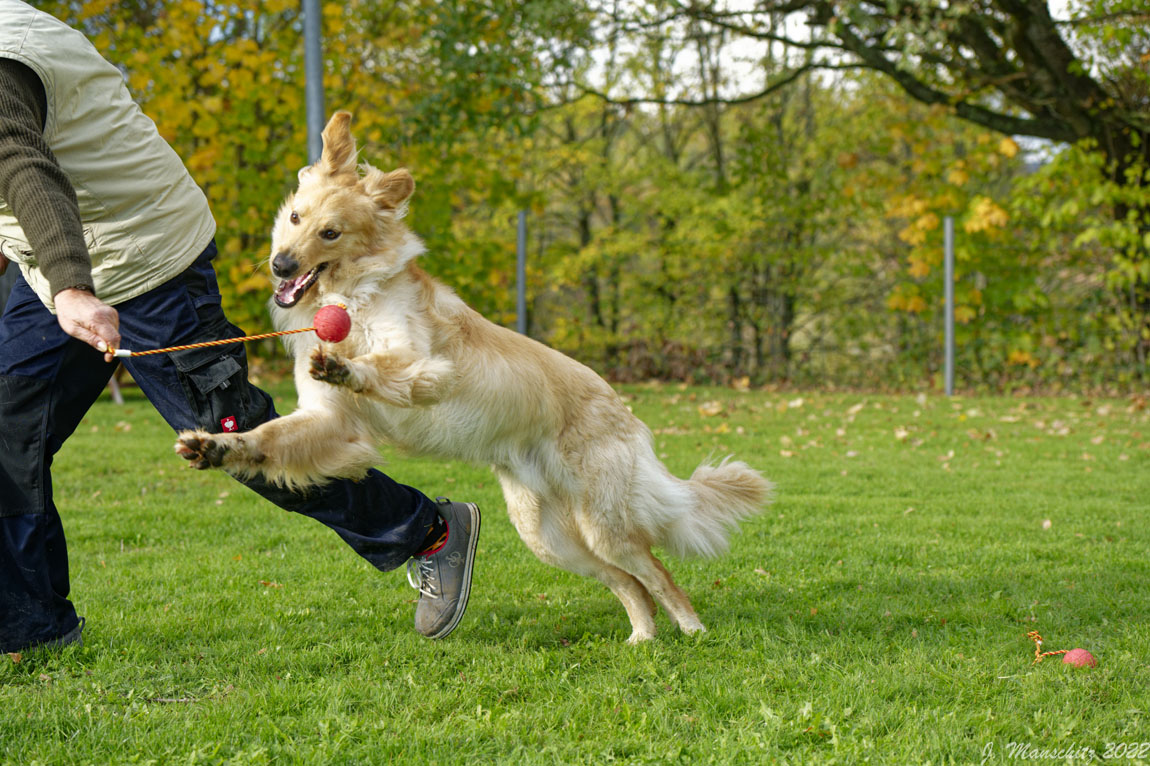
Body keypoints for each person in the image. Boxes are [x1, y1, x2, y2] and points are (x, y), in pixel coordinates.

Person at [0, 0, 480, 654]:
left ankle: (428, 530)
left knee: (239, 442)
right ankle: (34, 630)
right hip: (52, 268)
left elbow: (25, 169)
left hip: (146, 259)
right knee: (6, 428)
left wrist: (73, 288)